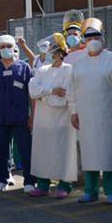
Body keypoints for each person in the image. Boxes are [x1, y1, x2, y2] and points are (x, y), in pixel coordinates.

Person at [69, 19, 112, 204]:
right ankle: (90, 190)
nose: (93, 39)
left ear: (102, 38)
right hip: (85, 114)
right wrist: (73, 111)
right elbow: (72, 90)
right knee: (89, 153)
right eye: (89, 37)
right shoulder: (79, 62)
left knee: (110, 151)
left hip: (109, 112)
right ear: (84, 41)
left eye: (96, 36)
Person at [28, 34, 78, 196]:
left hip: (62, 119)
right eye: (51, 50)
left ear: (61, 52)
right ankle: (43, 184)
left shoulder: (68, 70)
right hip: (43, 120)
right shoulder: (42, 70)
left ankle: (64, 185)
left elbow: (64, 96)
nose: (51, 53)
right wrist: (50, 91)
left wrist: (43, 96)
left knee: (63, 151)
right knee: (43, 151)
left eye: (54, 50)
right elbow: (32, 89)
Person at [0, 34, 34, 191]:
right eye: (2, 46)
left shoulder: (24, 68)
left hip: (20, 117)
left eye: (8, 46)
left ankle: (29, 181)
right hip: (0, 116)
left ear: (14, 48)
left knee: (26, 149)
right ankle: (2, 179)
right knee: (0, 150)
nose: (6, 49)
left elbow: (31, 94)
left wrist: (33, 115)